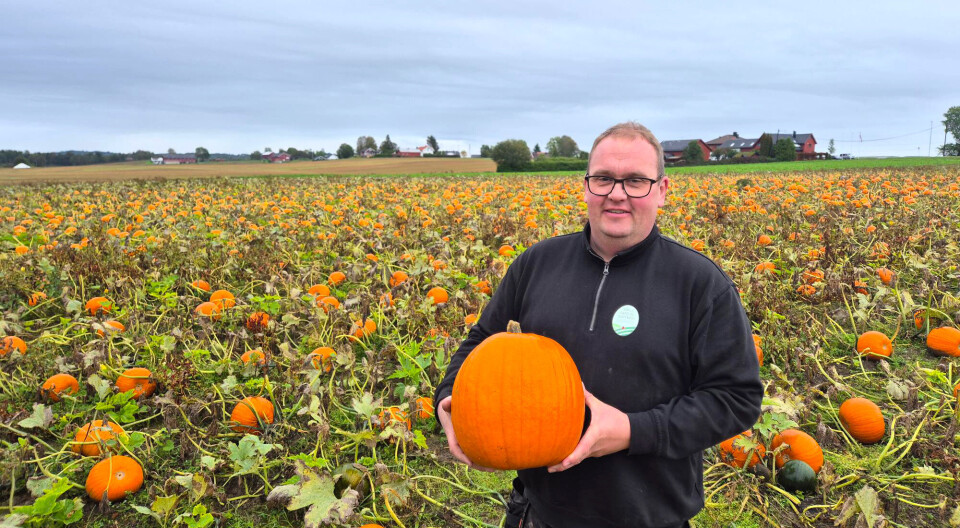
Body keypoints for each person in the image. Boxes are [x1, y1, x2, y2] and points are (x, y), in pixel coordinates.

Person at [434, 122, 763, 528]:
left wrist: (633, 431)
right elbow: (482, 340)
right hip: (541, 512)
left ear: (661, 190)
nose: (617, 194)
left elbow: (736, 398)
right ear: (586, 186)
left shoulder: (699, 283)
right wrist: (448, 397)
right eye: (604, 178)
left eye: (636, 181)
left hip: (648, 517)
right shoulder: (537, 264)